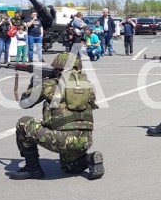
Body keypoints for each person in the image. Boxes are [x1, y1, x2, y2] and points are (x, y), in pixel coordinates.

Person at [10, 52, 104, 180]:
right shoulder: (89, 87)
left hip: (61, 139)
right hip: (84, 140)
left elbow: (25, 103)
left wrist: (35, 82)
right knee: (69, 167)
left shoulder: (50, 85)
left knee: (23, 123)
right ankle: (89, 159)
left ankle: (32, 168)